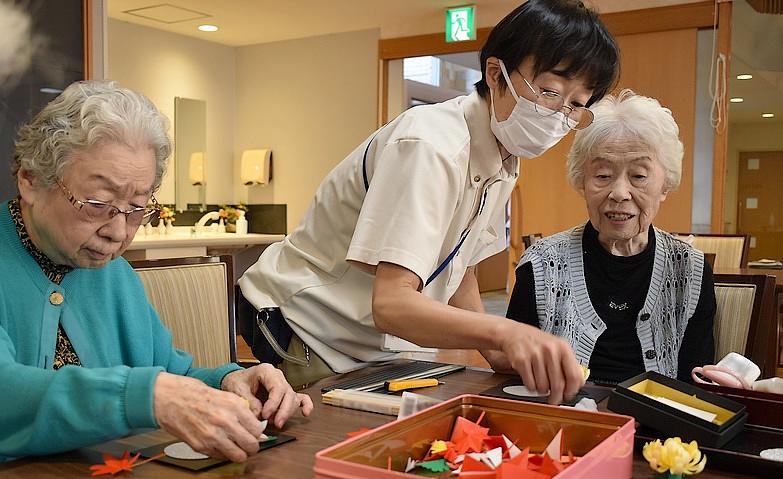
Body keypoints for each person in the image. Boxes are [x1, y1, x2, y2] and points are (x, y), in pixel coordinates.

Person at [238, 0, 620, 405]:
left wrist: (495, 353)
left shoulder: (504, 158)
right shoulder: (431, 145)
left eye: (575, 105)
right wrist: (506, 332)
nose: (559, 115)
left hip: (365, 341)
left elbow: (461, 267)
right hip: (299, 323)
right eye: (549, 92)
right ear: (496, 74)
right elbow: (392, 303)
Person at [0, 80, 312, 462]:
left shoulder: (114, 275)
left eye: (136, 208)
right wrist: (148, 396)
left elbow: (168, 375)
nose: (118, 232)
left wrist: (228, 383)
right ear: (31, 180)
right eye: (98, 203)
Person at [506, 90, 716, 384]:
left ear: (665, 185)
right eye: (603, 175)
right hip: (561, 410)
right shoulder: (541, 265)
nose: (619, 193)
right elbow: (514, 373)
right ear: (582, 182)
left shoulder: (689, 270)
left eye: (639, 176)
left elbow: (696, 382)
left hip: (659, 414)